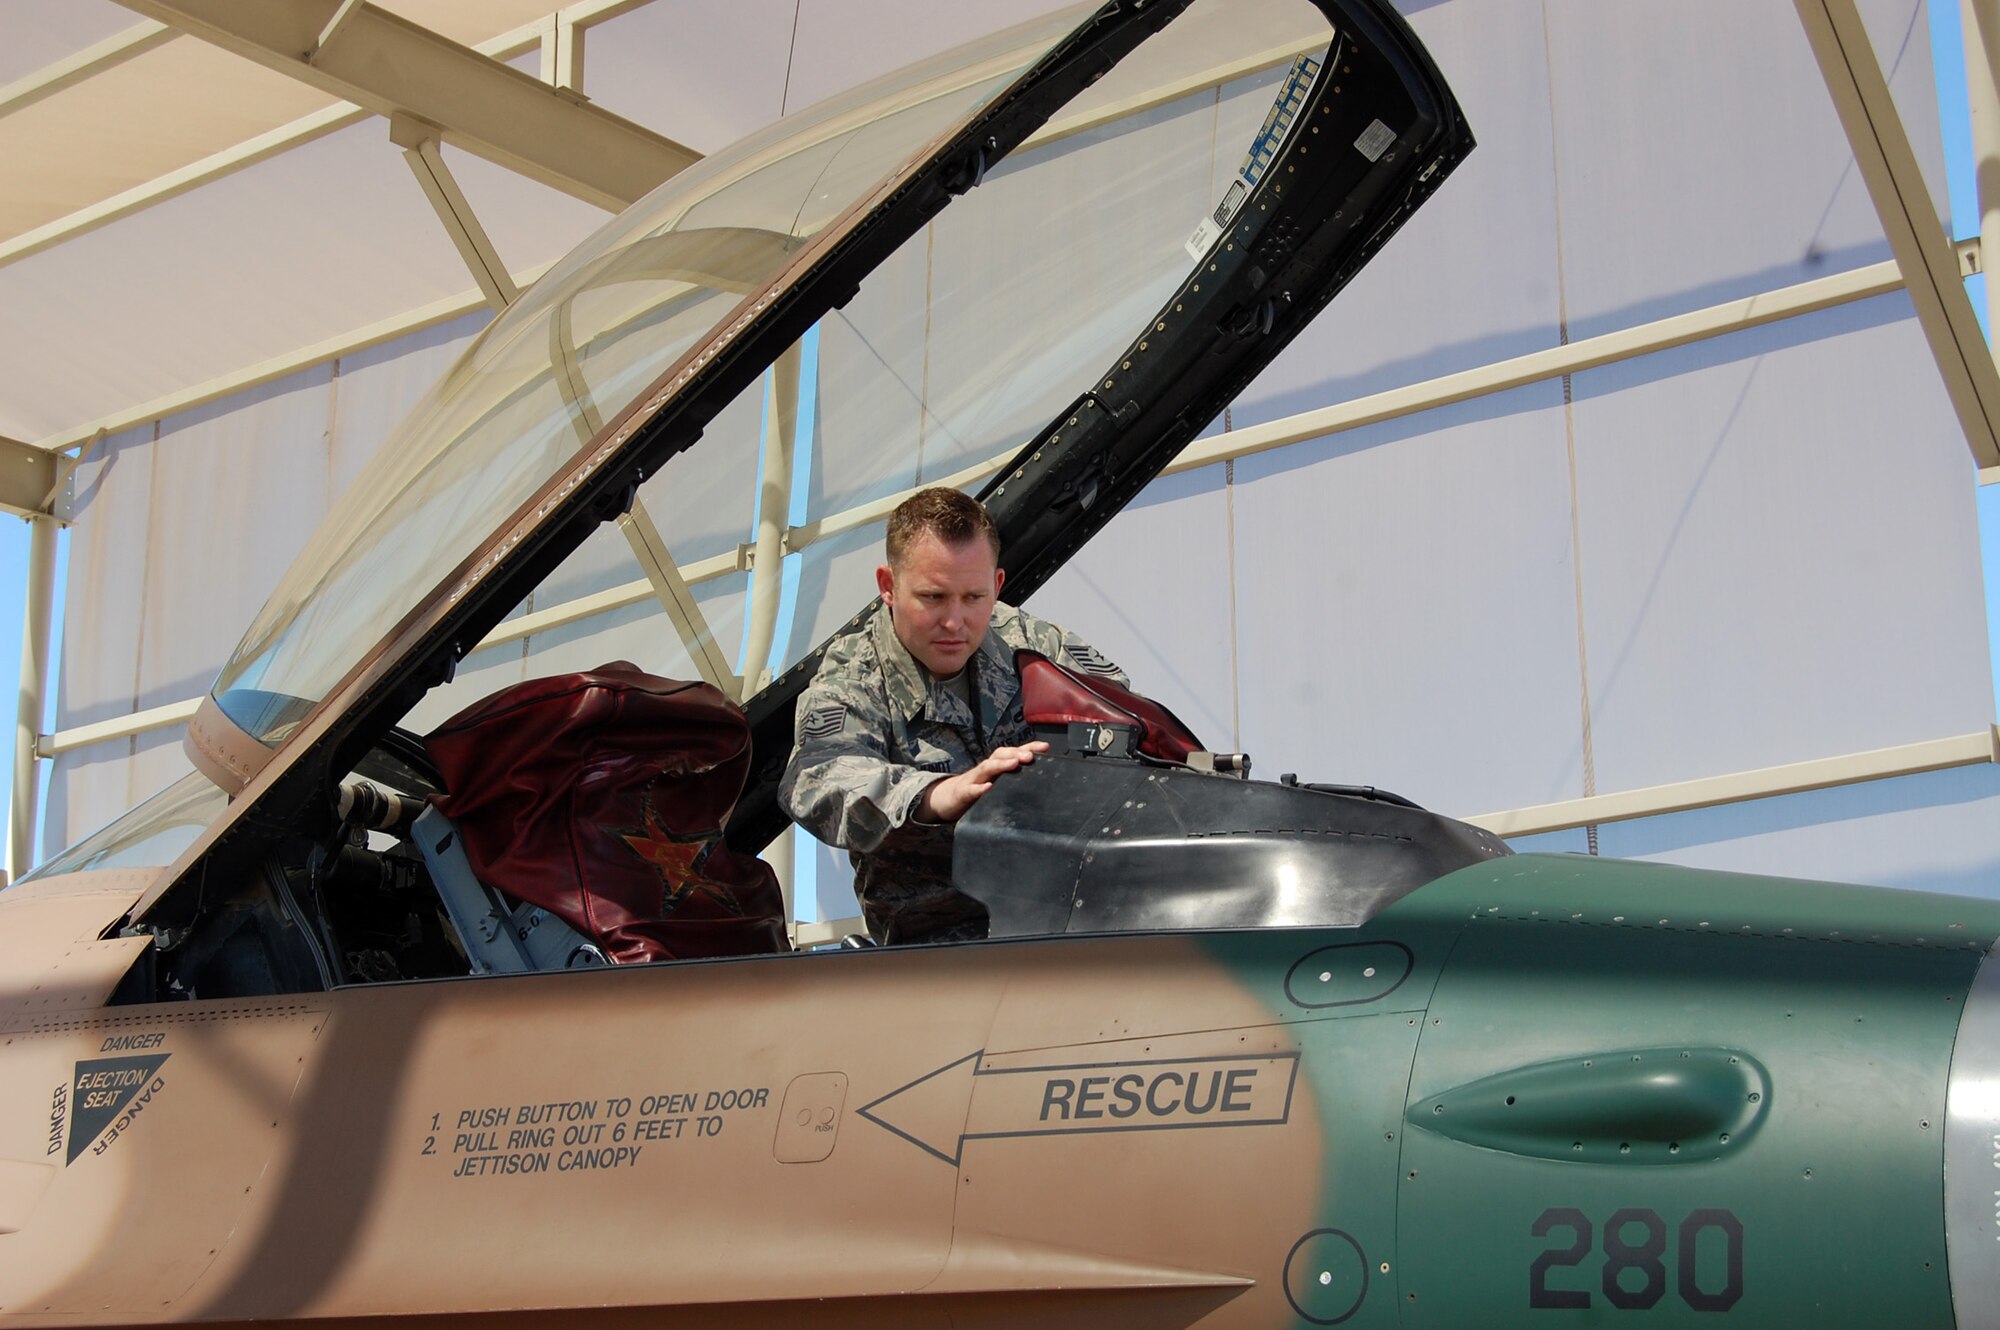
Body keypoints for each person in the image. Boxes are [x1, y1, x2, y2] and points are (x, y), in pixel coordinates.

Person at [780, 487, 1130, 944]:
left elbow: (1124, 718)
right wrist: (935, 794)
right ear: (888, 586)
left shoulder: (1030, 643)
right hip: (936, 951)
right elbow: (816, 779)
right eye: (933, 597)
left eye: (973, 597)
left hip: (1065, 922)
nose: (955, 622)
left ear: (998, 585)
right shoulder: (855, 675)